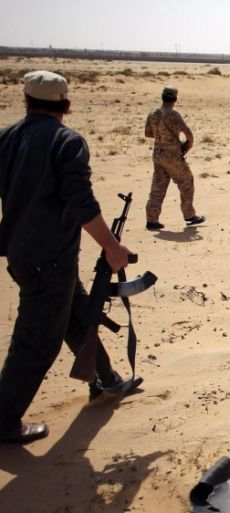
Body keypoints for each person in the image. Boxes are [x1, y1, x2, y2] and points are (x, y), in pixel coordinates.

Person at [0, 71, 143, 444]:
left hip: (24, 253)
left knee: (77, 315)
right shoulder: (67, 141)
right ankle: (3, 418)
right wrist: (112, 247)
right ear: (66, 104)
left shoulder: (7, 137)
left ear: (26, 101)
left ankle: (106, 380)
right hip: (48, 258)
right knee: (37, 340)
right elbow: (81, 202)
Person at [144, 85, 205, 230]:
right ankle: (189, 216)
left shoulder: (153, 113)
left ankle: (152, 220)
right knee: (186, 182)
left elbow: (147, 133)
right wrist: (188, 145)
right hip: (172, 156)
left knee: (158, 187)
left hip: (158, 154)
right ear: (175, 99)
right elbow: (188, 134)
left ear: (162, 97)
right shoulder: (173, 114)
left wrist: (161, 136)